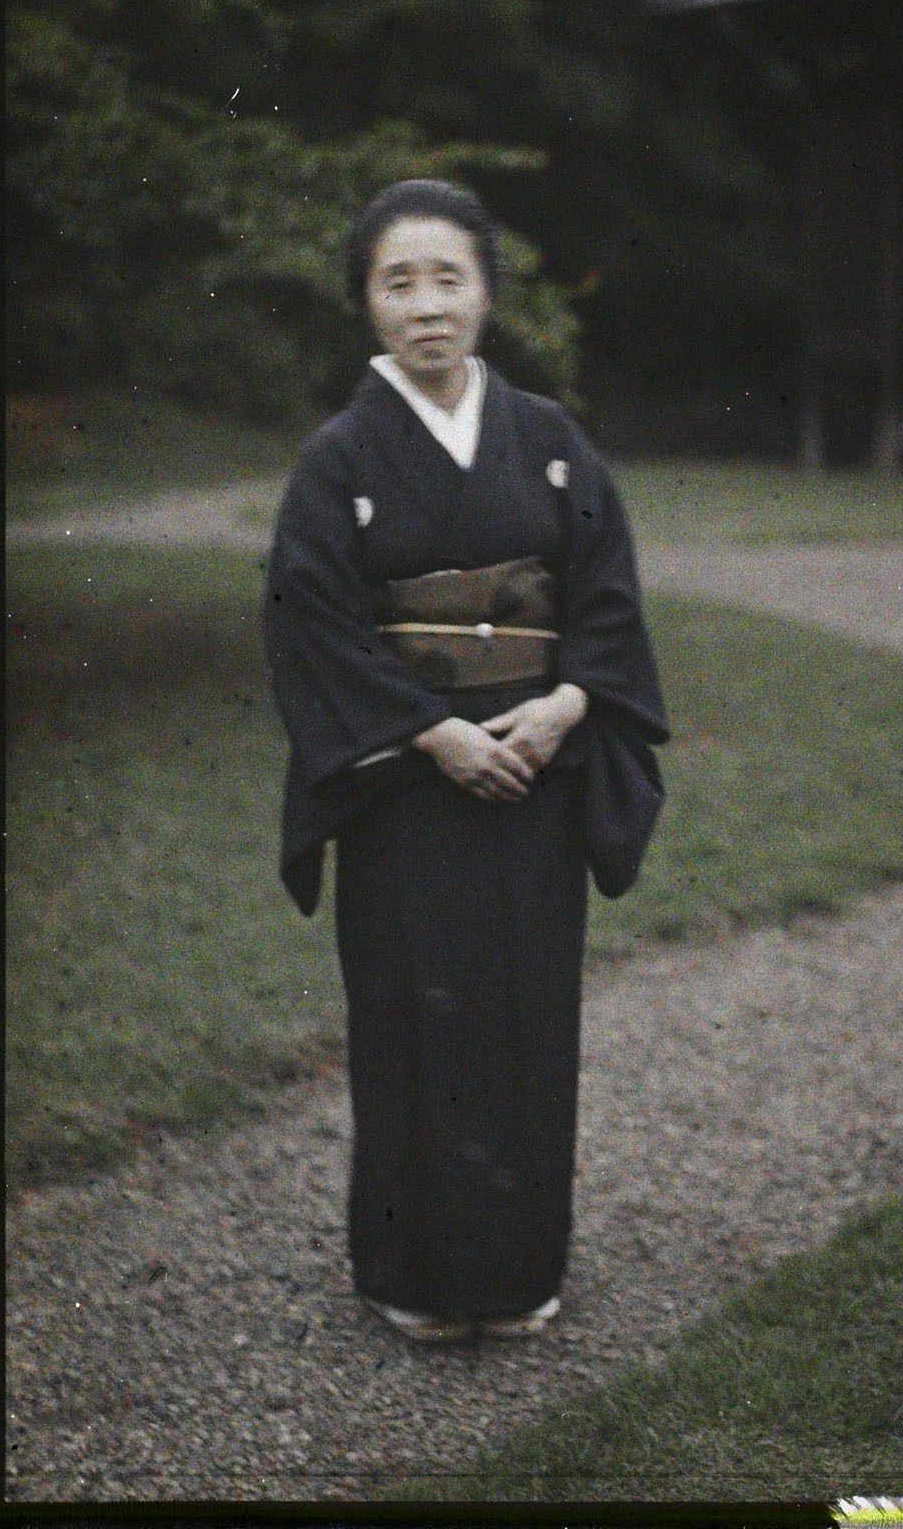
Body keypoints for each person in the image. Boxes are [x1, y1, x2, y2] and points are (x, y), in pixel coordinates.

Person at [263, 180, 667, 1343]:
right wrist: (431, 731)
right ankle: (417, 1272)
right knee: (412, 1013)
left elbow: (607, 594)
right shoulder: (339, 457)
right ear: (368, 305)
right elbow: (310, 623)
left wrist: (567, 706)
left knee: (528, 1013)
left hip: (535, 772)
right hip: (405, 785)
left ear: (486, 291)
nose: (427, 306)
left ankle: (519, 1266)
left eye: (449, 278)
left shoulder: (548, 439)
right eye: (399, 282)